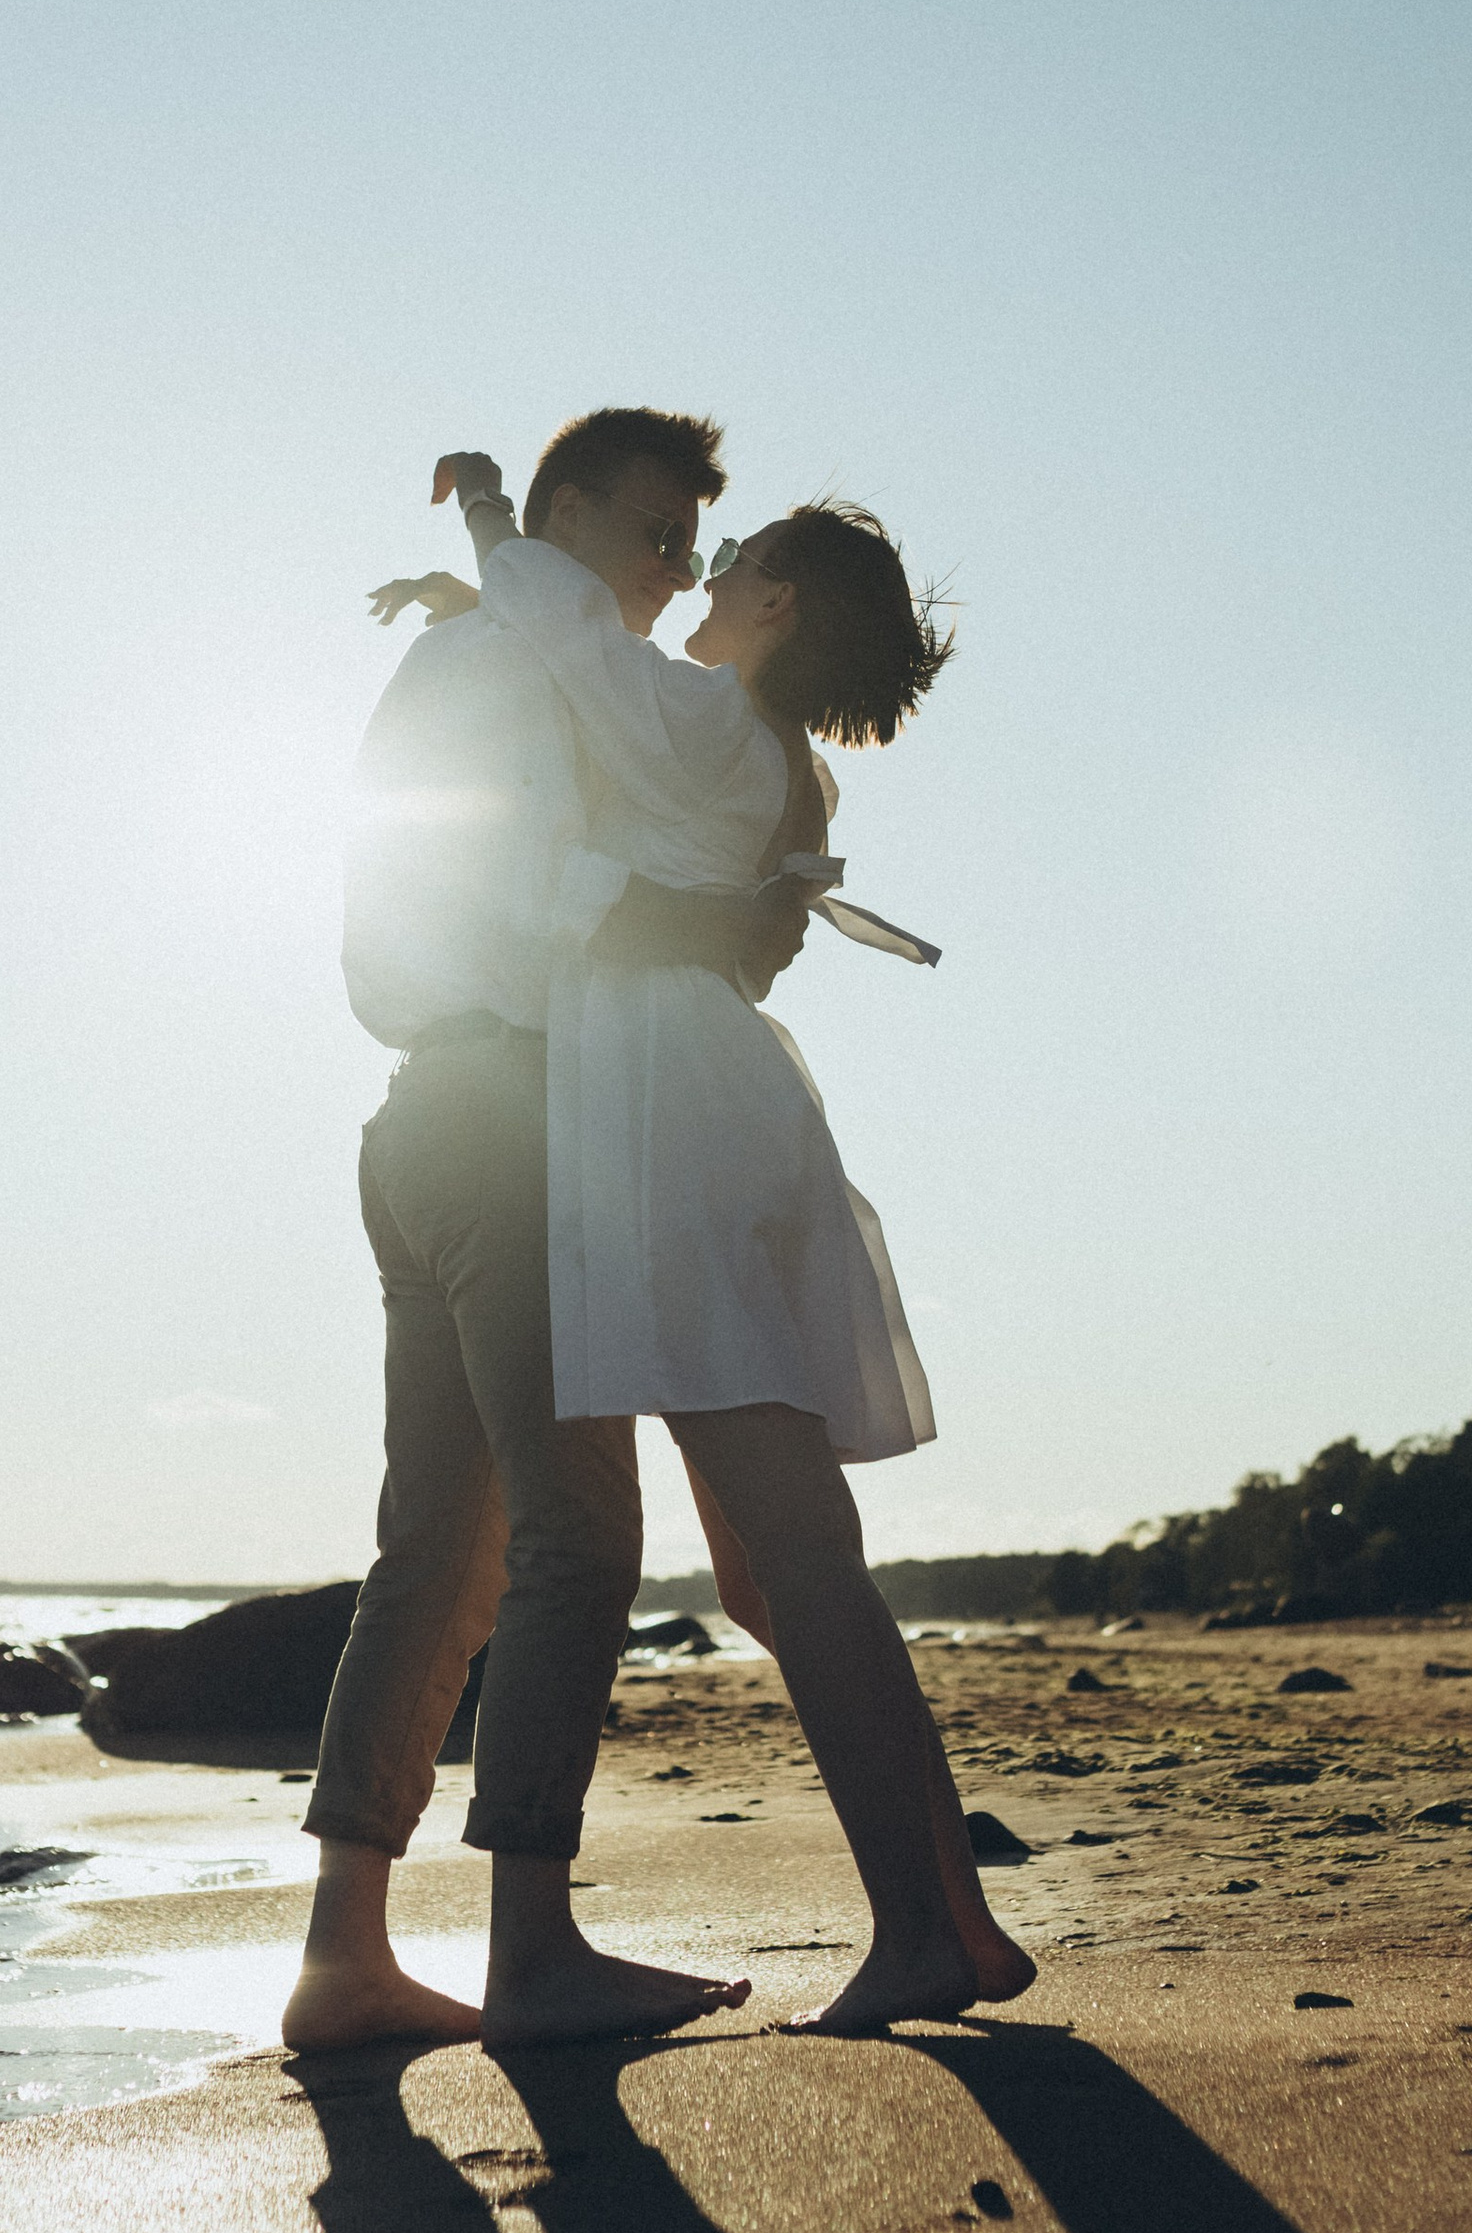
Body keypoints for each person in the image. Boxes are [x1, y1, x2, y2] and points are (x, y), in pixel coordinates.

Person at [441, 446, 1031, 2033]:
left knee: (797, 1549)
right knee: (789, 1560)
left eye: (731, 557)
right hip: (718, 1100)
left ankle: (919, 1927)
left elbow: (572, 650)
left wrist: (493, 515)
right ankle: (954, 1920)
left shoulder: (708, 721)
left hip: (672, 1122)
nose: (698, 576)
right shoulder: (765, 754)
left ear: (774, 602)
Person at [282, 408, 812, 2056]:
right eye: (653, 537)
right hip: (503, 1119)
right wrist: (739, 914)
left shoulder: (504, 640)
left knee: (439, 1548)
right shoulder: (513, 664)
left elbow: (536, 604)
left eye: (690, 551)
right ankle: (532, 1944)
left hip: (425, 1117)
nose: (671, 578)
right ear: (579, 516)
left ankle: (346, 1955)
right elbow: (535, 885)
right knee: (579, 1529)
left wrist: (492, 541)